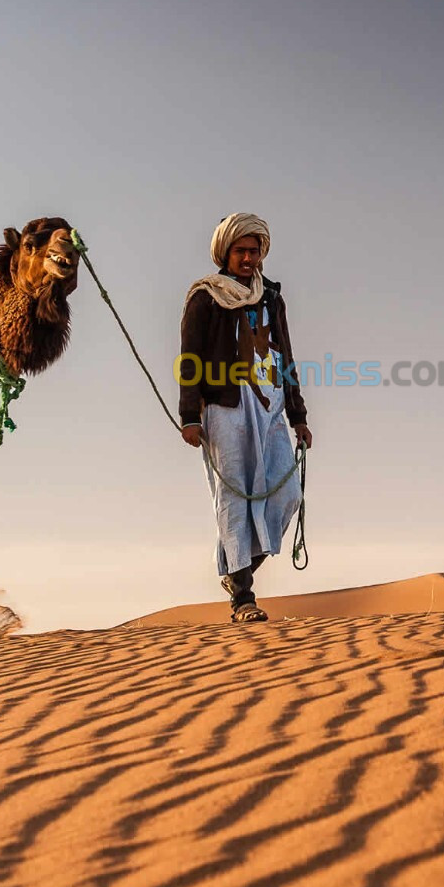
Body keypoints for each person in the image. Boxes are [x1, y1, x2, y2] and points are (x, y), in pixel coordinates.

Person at [178, 213, 313, 622]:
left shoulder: (271, 297)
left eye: (255, 251)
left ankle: (237, 570)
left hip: (270, 407)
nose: (249, 258)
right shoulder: (206, 297)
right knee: (233, 499)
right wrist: (190, 414)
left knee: (287, 495)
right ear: (226, 252)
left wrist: (298, 415)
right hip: (224, 406)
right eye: (241, 250)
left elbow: (285, 355)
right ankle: (243, 599)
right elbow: (189, 359)